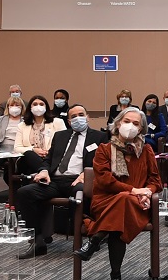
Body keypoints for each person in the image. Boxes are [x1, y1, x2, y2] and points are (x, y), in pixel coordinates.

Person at [73, 108, 162, 280]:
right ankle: (115, 274)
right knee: (122, 205)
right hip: (105, 203)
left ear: (141, 129)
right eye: (127, 121)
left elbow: (156, 181)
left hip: (137, 205)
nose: (130, 126)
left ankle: (96, 239)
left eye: (136, 123)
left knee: (122, 206)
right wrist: (133, 190)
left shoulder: (146, 150)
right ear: (118, 123)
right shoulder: (104, 149)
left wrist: (147, 192)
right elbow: (105, 181)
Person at [16, 104, 108, 258]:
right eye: (74, 116)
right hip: (55, 180)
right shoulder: (60, 136)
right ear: (69, 121)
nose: (78, 118)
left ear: (87, 117)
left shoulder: (99, 137)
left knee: (80, 193)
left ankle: (81, 240)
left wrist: (87, 174)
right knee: (24, 192)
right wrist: (43, 170)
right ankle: (38, 241)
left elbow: (103, 162)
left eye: (81, 115)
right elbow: (49, 160)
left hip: (79, 179)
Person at [15, 95, 67, 175]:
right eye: (35, 104)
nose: (38, 107)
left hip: (50, 158)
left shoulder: (57, 122)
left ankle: (42, 174)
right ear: (30, 107)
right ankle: (47, 174)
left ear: (46, 107)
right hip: (29, 159)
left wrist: (48, 152)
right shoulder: (22, 126)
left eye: (41, 104)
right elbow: (17, 148)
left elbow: (64, 143)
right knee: (29, 154)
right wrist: (33, 150)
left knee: (30, 171)